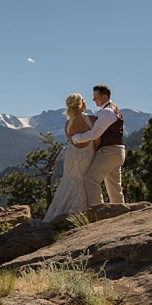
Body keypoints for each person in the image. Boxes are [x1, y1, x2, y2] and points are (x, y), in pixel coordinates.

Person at [42, 93, 98, 223]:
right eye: (84, 100)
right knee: (84, 183)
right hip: (87, 156)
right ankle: (81, 216)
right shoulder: (92, 119)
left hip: (72, 157)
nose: (86, 102)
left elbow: (72, 141)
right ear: (80, 103)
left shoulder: (68, 123)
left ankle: (59, 216)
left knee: (68, 184)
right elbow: (97, 140)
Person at [70, 84, 126, 206]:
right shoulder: (112, 110)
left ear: (104, 97)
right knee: (114, 186)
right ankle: (121, 212)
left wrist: (76, 138)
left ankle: (97, 211)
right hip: (117, 151)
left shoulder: (107, 112)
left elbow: (94, 134)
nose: (93, 100)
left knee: (91, 179)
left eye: (96, 97)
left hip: (109, 152)